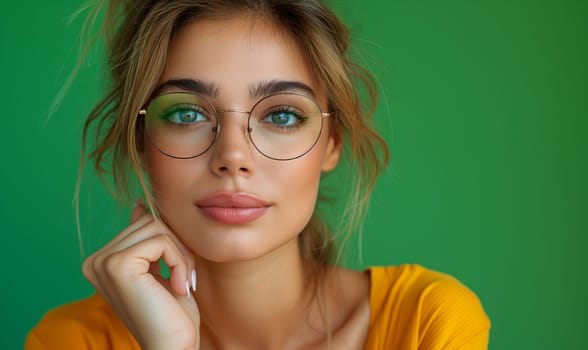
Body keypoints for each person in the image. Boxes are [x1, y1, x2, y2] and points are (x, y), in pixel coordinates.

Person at [26, 0, 490, 349]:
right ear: (141, 142)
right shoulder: (72, 341)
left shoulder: (428, 323)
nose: (233, 156)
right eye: (187, 114)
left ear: (331, 144)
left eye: (283, 116)